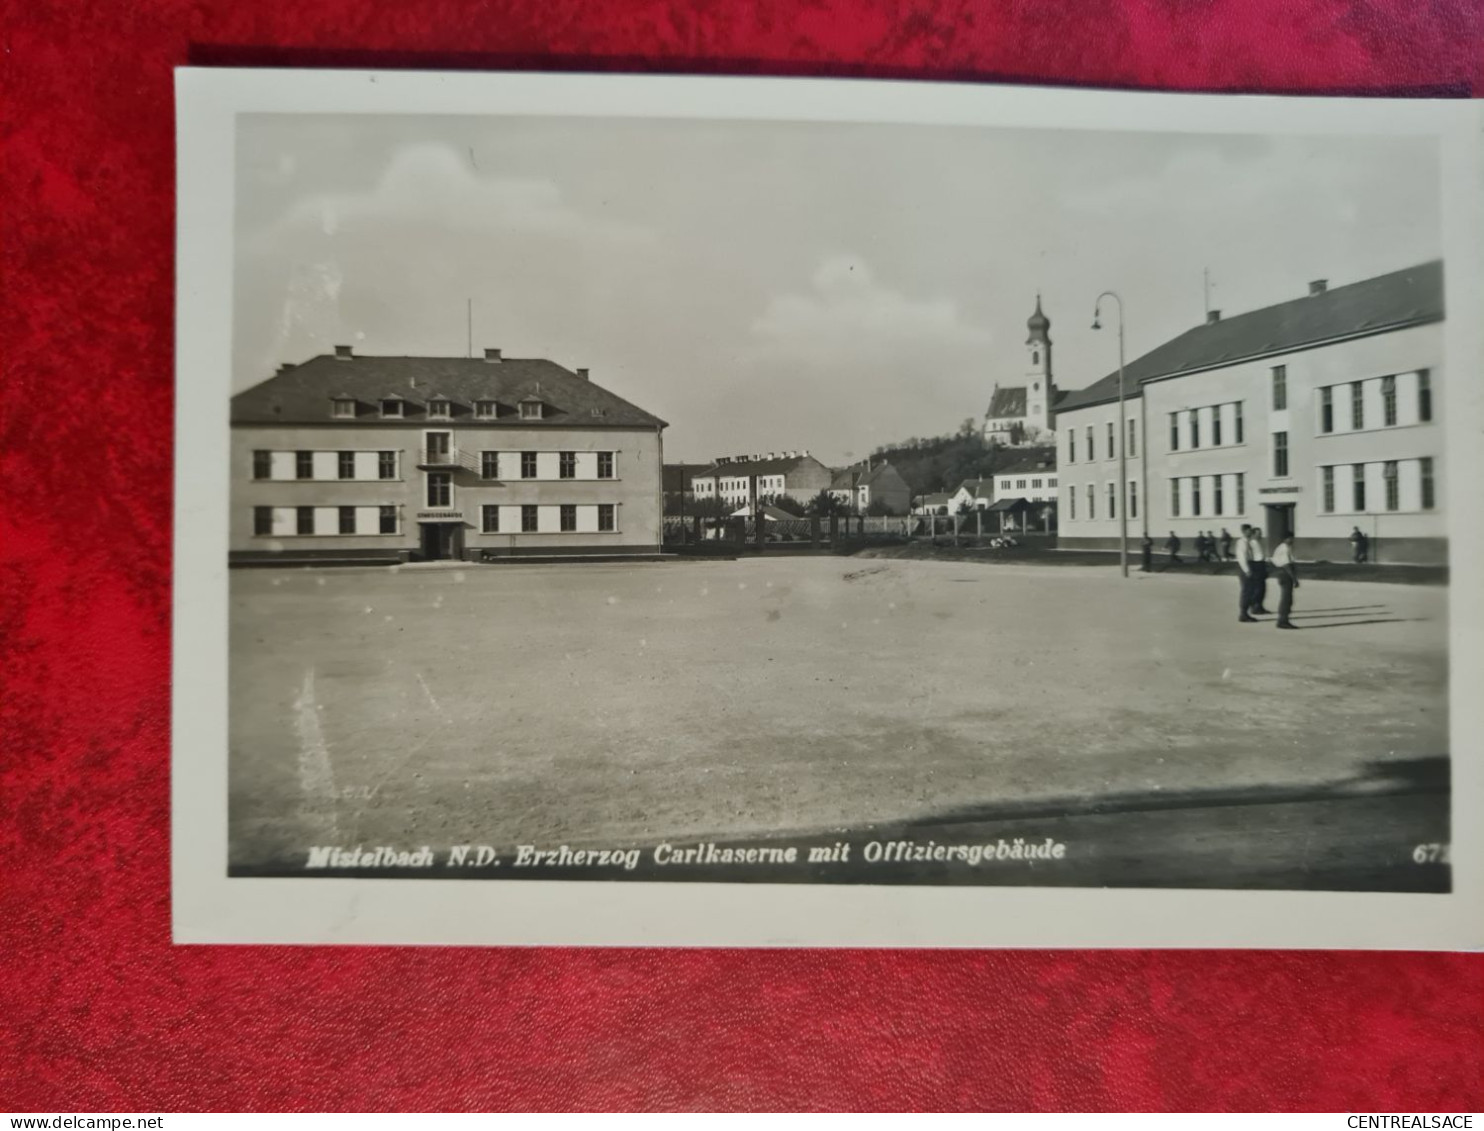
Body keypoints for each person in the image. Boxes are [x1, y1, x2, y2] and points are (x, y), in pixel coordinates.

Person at [1271, 533, 1300, 629]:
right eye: (1290, 538)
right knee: (1286, 598)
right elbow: (1286, 565)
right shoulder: (1284, 548)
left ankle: (1283, 619)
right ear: (1285, 539)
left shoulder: (1285, 547)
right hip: (1285, 574)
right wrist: (1294, 578)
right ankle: (1282, 620)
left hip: (1283, 573)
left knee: (1287, 598)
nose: (1292, 540)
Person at [1235, 524, 1257, 622]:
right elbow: (1242, 558)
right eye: (1249, 530)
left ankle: (1246, 612)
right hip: (1245, 569)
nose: (1251, 532)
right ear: (1244, 531)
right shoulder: (1242, 542)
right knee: (1246, 591)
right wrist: (1247, 570)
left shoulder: (1248, 542)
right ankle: (1243, 614)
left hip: (1250, 566)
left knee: (1250, 591)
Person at [1247, 526, 1271, 615]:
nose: (1260, 535)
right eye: (1258, 533)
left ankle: (1260, 606)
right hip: (1256, 565)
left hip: (1261, 564)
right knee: (1257, 588)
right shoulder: (1252, 543)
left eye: (1260, 533)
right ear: (1253, 534)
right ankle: (1255, 607)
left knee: (1262, 588)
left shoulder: (1258, 542)